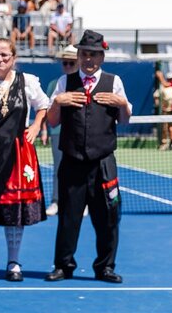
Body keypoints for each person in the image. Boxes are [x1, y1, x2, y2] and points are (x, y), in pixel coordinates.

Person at [45, 30, 132, 283]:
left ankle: (105, 267)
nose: (89, 59)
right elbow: (52, 122)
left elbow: (125, 120)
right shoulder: (64, 82)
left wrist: (121, 103)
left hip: (103, 162)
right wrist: (57, 102)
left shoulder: (114, 82)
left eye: (94, 55)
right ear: (79, 55)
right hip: (72, 161)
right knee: (68, 217)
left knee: (107, 217)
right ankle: (64, 265)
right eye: (84, 54)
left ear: (102, 57)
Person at [0, 38, 49, 282]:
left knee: (13, 211)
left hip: (16, 152)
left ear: (14, 57)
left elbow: (44, 105)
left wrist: (36, 125)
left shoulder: (27, 82)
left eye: (5, 55)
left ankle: (13, 262)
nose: (0, 59)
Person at [44, 44, 80, 216]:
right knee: (59, 168)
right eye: (65, 63)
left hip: (79, 134)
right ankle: (56, 201)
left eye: (71, 63)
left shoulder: (85, 84)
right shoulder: (55, 84)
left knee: (80, 168)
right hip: (58, 133)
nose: (67, 66)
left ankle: (82, 202)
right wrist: (44, 129)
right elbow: (46, 109)